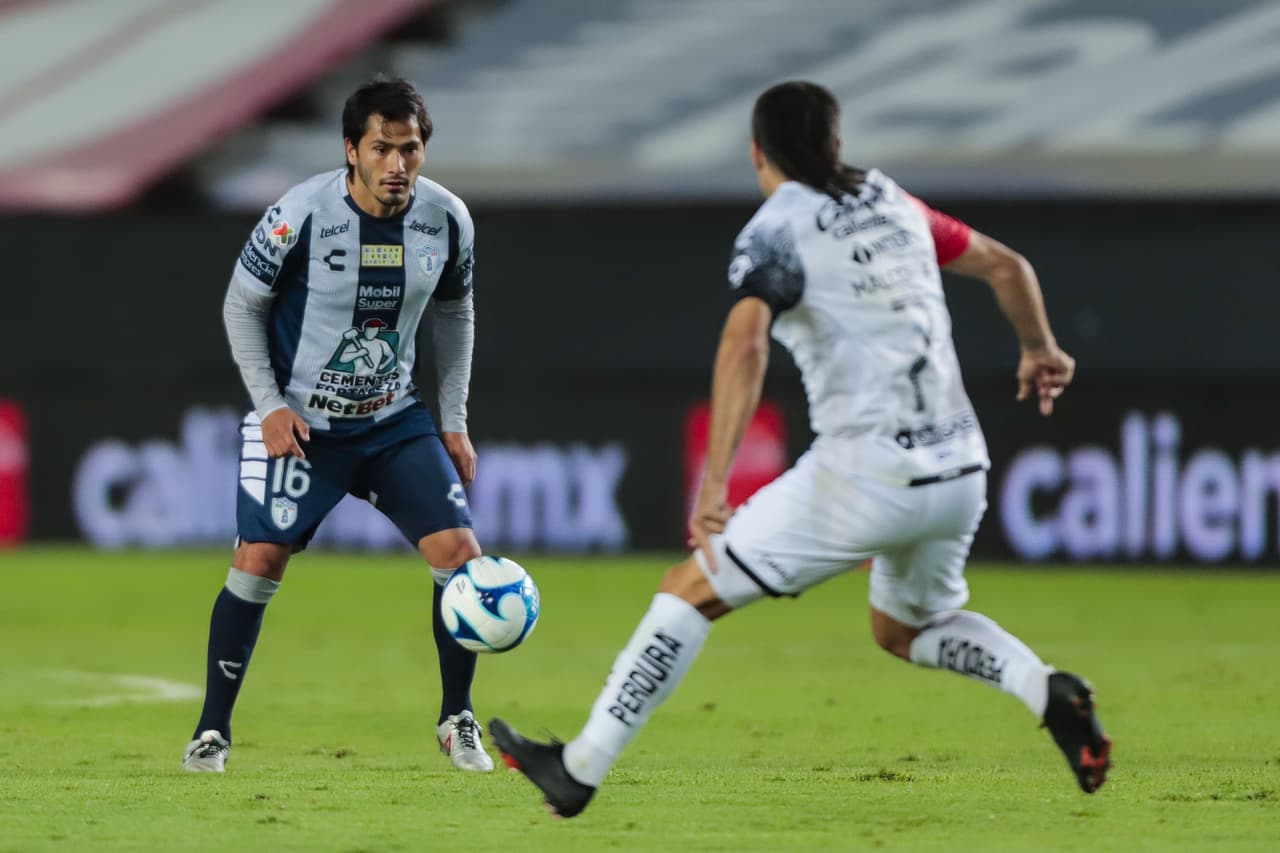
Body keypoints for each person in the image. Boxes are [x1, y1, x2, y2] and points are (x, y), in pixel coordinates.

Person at [490, 80, 1111, 816]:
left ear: (758, 153)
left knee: (688, 589)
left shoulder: (777, 228)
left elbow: (745, 340)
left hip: (866, 473)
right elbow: (1009, 267)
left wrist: (714, 481)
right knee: (907, 627)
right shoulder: (894, 203)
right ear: (836, 142)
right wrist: (1039, 348)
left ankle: (580, 768)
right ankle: (1045, 689)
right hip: (959, 465)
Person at [183, 77, 494, 773]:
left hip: (392, 423)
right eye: (381, 149)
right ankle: (211, 732)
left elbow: (455, 313)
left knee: (461, 557)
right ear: (351, 150)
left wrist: (454, 419)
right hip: (305, 427)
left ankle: (457, 718)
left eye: (409, 149)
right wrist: (270, 407)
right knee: (259, 560)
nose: (397, 166)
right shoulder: (300, 214)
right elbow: (241, 306)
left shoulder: (446, 220)